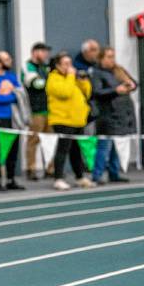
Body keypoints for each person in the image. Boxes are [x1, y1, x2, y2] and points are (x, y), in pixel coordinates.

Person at [46, 51, 95, 191]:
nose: (69, 67)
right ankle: (58, 178)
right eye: (66, 64)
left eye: (70, 63)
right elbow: (65, 93)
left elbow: (86, 93)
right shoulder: (53, 79)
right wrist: (71, 76)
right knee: (63, 150)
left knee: (76, 150)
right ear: (58, 66)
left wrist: (83, 81)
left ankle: (79, 177)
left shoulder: (71, 78)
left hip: (77, 120)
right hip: (63, 120)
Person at [90, 47, 134, 184]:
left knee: (117, 146)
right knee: (104, 146)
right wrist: (115, 90)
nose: (111, 60)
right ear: (101, 58)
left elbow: (135, 83)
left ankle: (114, 173)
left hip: (122, 113)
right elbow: (97, 92)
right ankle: (97, 175)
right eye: (108, 57)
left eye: (113, 56)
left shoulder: (119, 70)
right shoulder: (96, 73)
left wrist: (131, 85)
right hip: (107, 114)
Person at [0, 50, 25, 192]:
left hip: (14, 118)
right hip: (0, 118)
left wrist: (10, 93)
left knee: (14, 150)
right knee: (0, 150)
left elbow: (21, 94)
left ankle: (10, 179)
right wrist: (12, 94)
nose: (10, 61)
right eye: (6, 59)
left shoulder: (11, 77)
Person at [22, 42, 52, 180]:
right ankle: (31, 168)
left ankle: (50, 168)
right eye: (43, 51)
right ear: (35, 52)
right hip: (35, 110)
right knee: (33, 140)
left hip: (49, 109)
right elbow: (36, 84)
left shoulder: (45, 68)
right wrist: (50, 81)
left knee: (50, 140)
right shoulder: (28, 67)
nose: (46, 55)